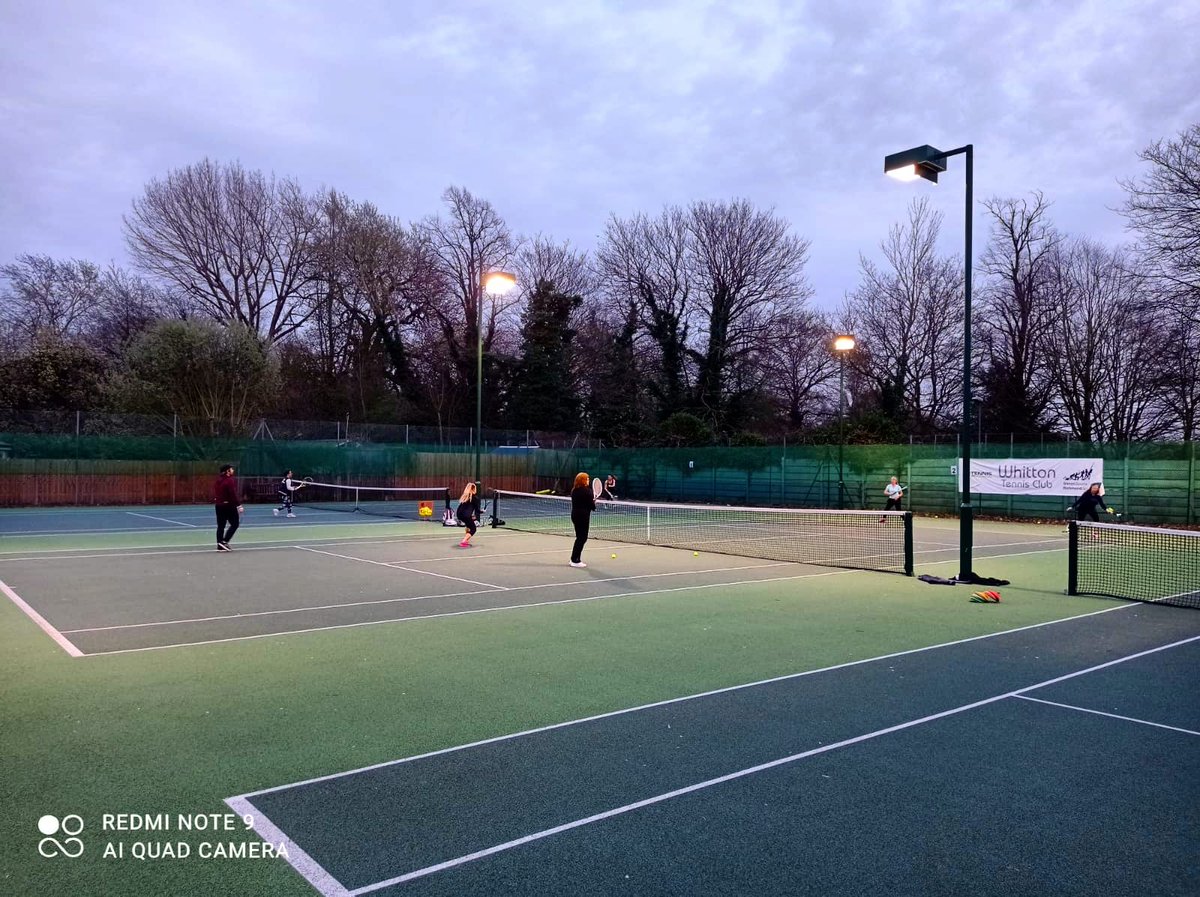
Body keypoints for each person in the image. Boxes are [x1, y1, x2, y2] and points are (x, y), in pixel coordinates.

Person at [213, 464, 243, 551]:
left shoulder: (218, 480)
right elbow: (232, 494)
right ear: (227, 471)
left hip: (218, 505)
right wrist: (239, 505)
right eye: (231, 469)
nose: (233, 470)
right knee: (235, 523)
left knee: (221, 526)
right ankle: (225, 541)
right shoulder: (229, 480)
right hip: (228, 505)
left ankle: (219, 544)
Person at [569, 472, 596, 568]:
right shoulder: (587, 491)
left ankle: (574, 559)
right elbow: (592, 507)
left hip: (575, 516)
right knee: (582, 538)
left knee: (579, 538)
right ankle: (575, 560)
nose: (588, 480)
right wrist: (594, 502)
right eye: (587, 479)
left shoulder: (574, 490)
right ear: (583, 480)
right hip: (583, 517)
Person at [455, 482, 478, 547]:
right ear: (474, 489)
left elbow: (466, 509)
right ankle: (464, 541)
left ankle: (466, 540)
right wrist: (482, 511)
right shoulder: (474, 498)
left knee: (468, 526)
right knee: (473, 529)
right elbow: (477, 510)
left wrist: (470, 516)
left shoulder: (465, 497)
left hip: (459, 514)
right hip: (466, 515)